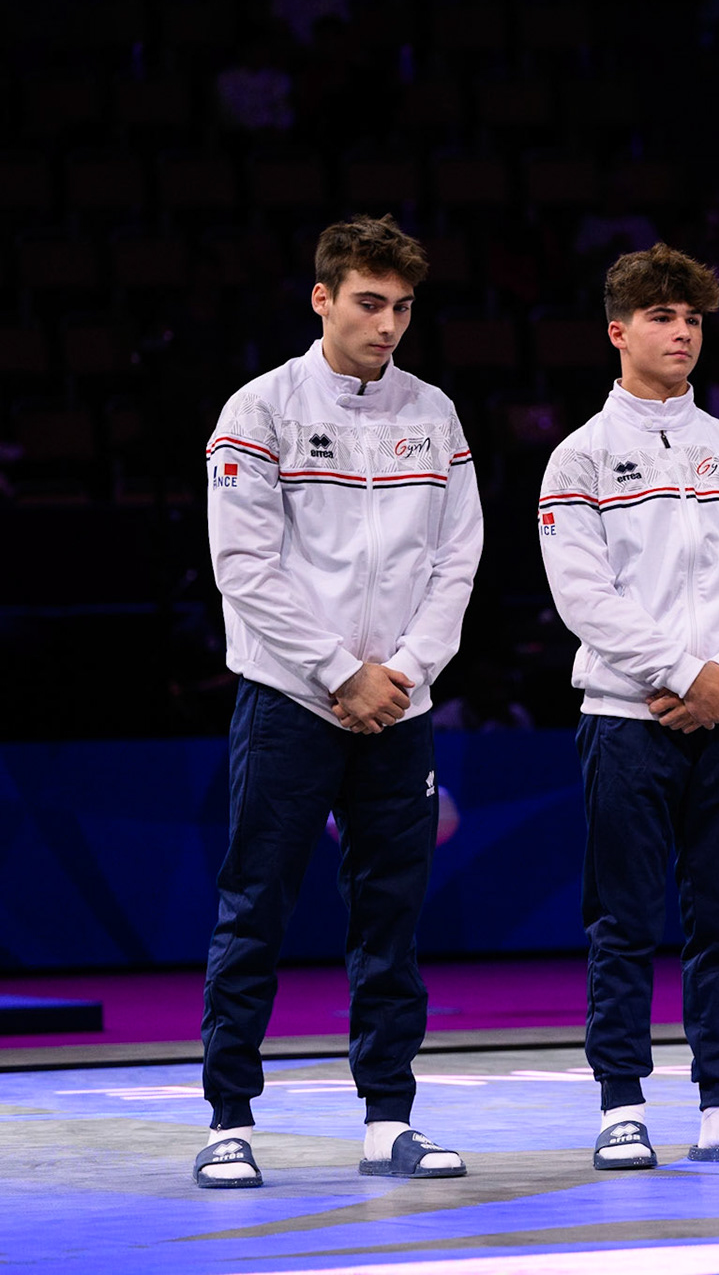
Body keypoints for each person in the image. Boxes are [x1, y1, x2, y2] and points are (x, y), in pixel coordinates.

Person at [197, 215, 483, 1188]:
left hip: (400, 707)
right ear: (322, 298)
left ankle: (388, 1117)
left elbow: (457, 559)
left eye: (402, 306)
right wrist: (338, 671)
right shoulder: (258, 409)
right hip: (289, 700)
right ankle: (228, 1117)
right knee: (255, 908)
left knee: (391, 918)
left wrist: (402, 670)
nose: (388, 322)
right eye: (369, 302)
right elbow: (245, 566)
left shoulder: (434, 413)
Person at [538, 244, 719, 1169]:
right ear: (619, 332)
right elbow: (584, 595)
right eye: (660, 317)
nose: (682, 331)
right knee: (622, 920)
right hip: (626, 721)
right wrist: (684, 671)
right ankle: (621, 1104)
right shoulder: (580, 457)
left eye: (692, 318)